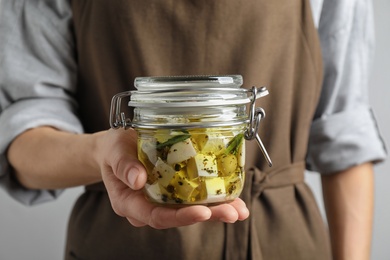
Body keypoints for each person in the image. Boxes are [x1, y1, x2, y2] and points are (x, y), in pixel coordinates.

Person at [0, 0, 386, 259]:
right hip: (119, 243)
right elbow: (25, 134)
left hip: (283, 242)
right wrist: (101, 152)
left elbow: (344, 137)